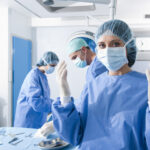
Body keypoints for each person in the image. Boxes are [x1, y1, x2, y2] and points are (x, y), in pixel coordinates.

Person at [52, 20, 150, 149]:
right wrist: (65, 96)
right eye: (102, 45)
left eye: (115, 44)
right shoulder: (93, 85)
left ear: (128, 47)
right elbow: (74, 135)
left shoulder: (145, 86)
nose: (108, 50)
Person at [14, 51, 59, 129]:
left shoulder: (42, 76)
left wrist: (57, 102)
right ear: (45, 62)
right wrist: (54, 106)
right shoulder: (33, 76)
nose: (53, 68)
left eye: (55, 66)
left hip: (37, 119)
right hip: (27, 121)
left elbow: (44, 98)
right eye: (52, 65)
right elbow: (36, 101)